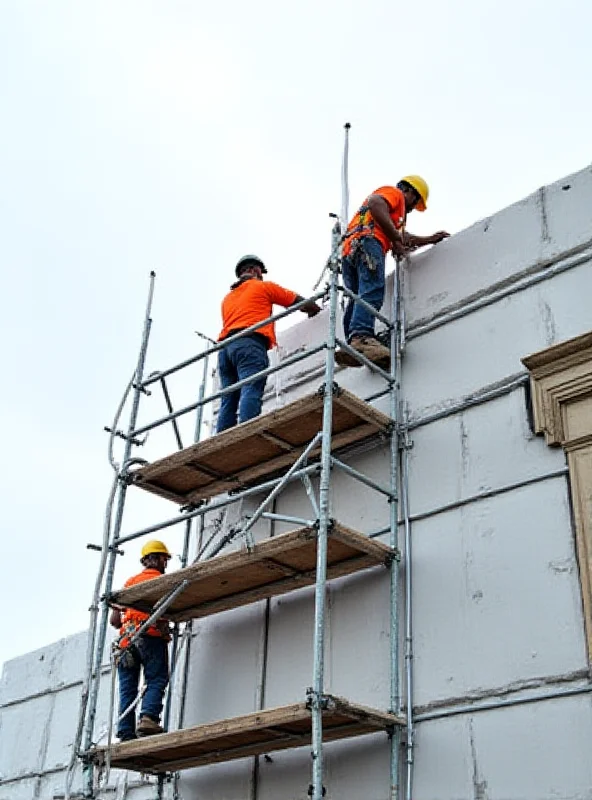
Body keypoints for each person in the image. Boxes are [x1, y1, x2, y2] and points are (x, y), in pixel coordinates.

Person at [336, 175, 449, 367]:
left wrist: (428, 240)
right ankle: (362, 337)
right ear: (410, 191)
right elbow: (375, 202)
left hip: (350, 251)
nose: (412, 209)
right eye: (416, 202)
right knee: (372, 291)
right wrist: (395, 236)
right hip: (368, 243)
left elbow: (401, 237)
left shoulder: (392, 217)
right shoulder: (394, 193)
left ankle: (353, 344)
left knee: (356, 297)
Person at [216, 255, 321, 432]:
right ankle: (247, 434)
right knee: (251, 388)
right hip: (249, 343)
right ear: (254, 270)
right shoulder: (263, 287)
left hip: (225, 350)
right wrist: (316, 310)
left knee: (229, 398)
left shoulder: (228, 298)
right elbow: (298, 302)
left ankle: (221, 440)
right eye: (260, 272)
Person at [109, 540, 173, 741]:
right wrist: (165, 629)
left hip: (125, 643)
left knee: (128, 687)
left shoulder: (130, 583)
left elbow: (114, 621)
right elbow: (164, 615)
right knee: (157, 678)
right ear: (161, 559)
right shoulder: (164, 581)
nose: (166, 563)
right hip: (149, 638)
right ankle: (148, 718)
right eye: (165, 559)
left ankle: (125, 731)